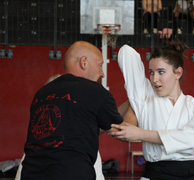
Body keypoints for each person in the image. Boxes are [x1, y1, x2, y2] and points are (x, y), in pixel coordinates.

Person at [109, 40, 194, 180]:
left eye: (161, 72)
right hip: (156, 174)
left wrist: (140, 134)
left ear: (178, 73)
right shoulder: (144, 97)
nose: (154, 79)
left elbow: (192, 139)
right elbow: (126, 52)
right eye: (151, 72)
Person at [21, 41, 123, 180]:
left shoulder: (41, 93)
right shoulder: (96, 92)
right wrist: (137, 100)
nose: (102, 73)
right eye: (100, 65)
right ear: (84, 62)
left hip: (30, 174)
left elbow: (73, 129)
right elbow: (120, 129)